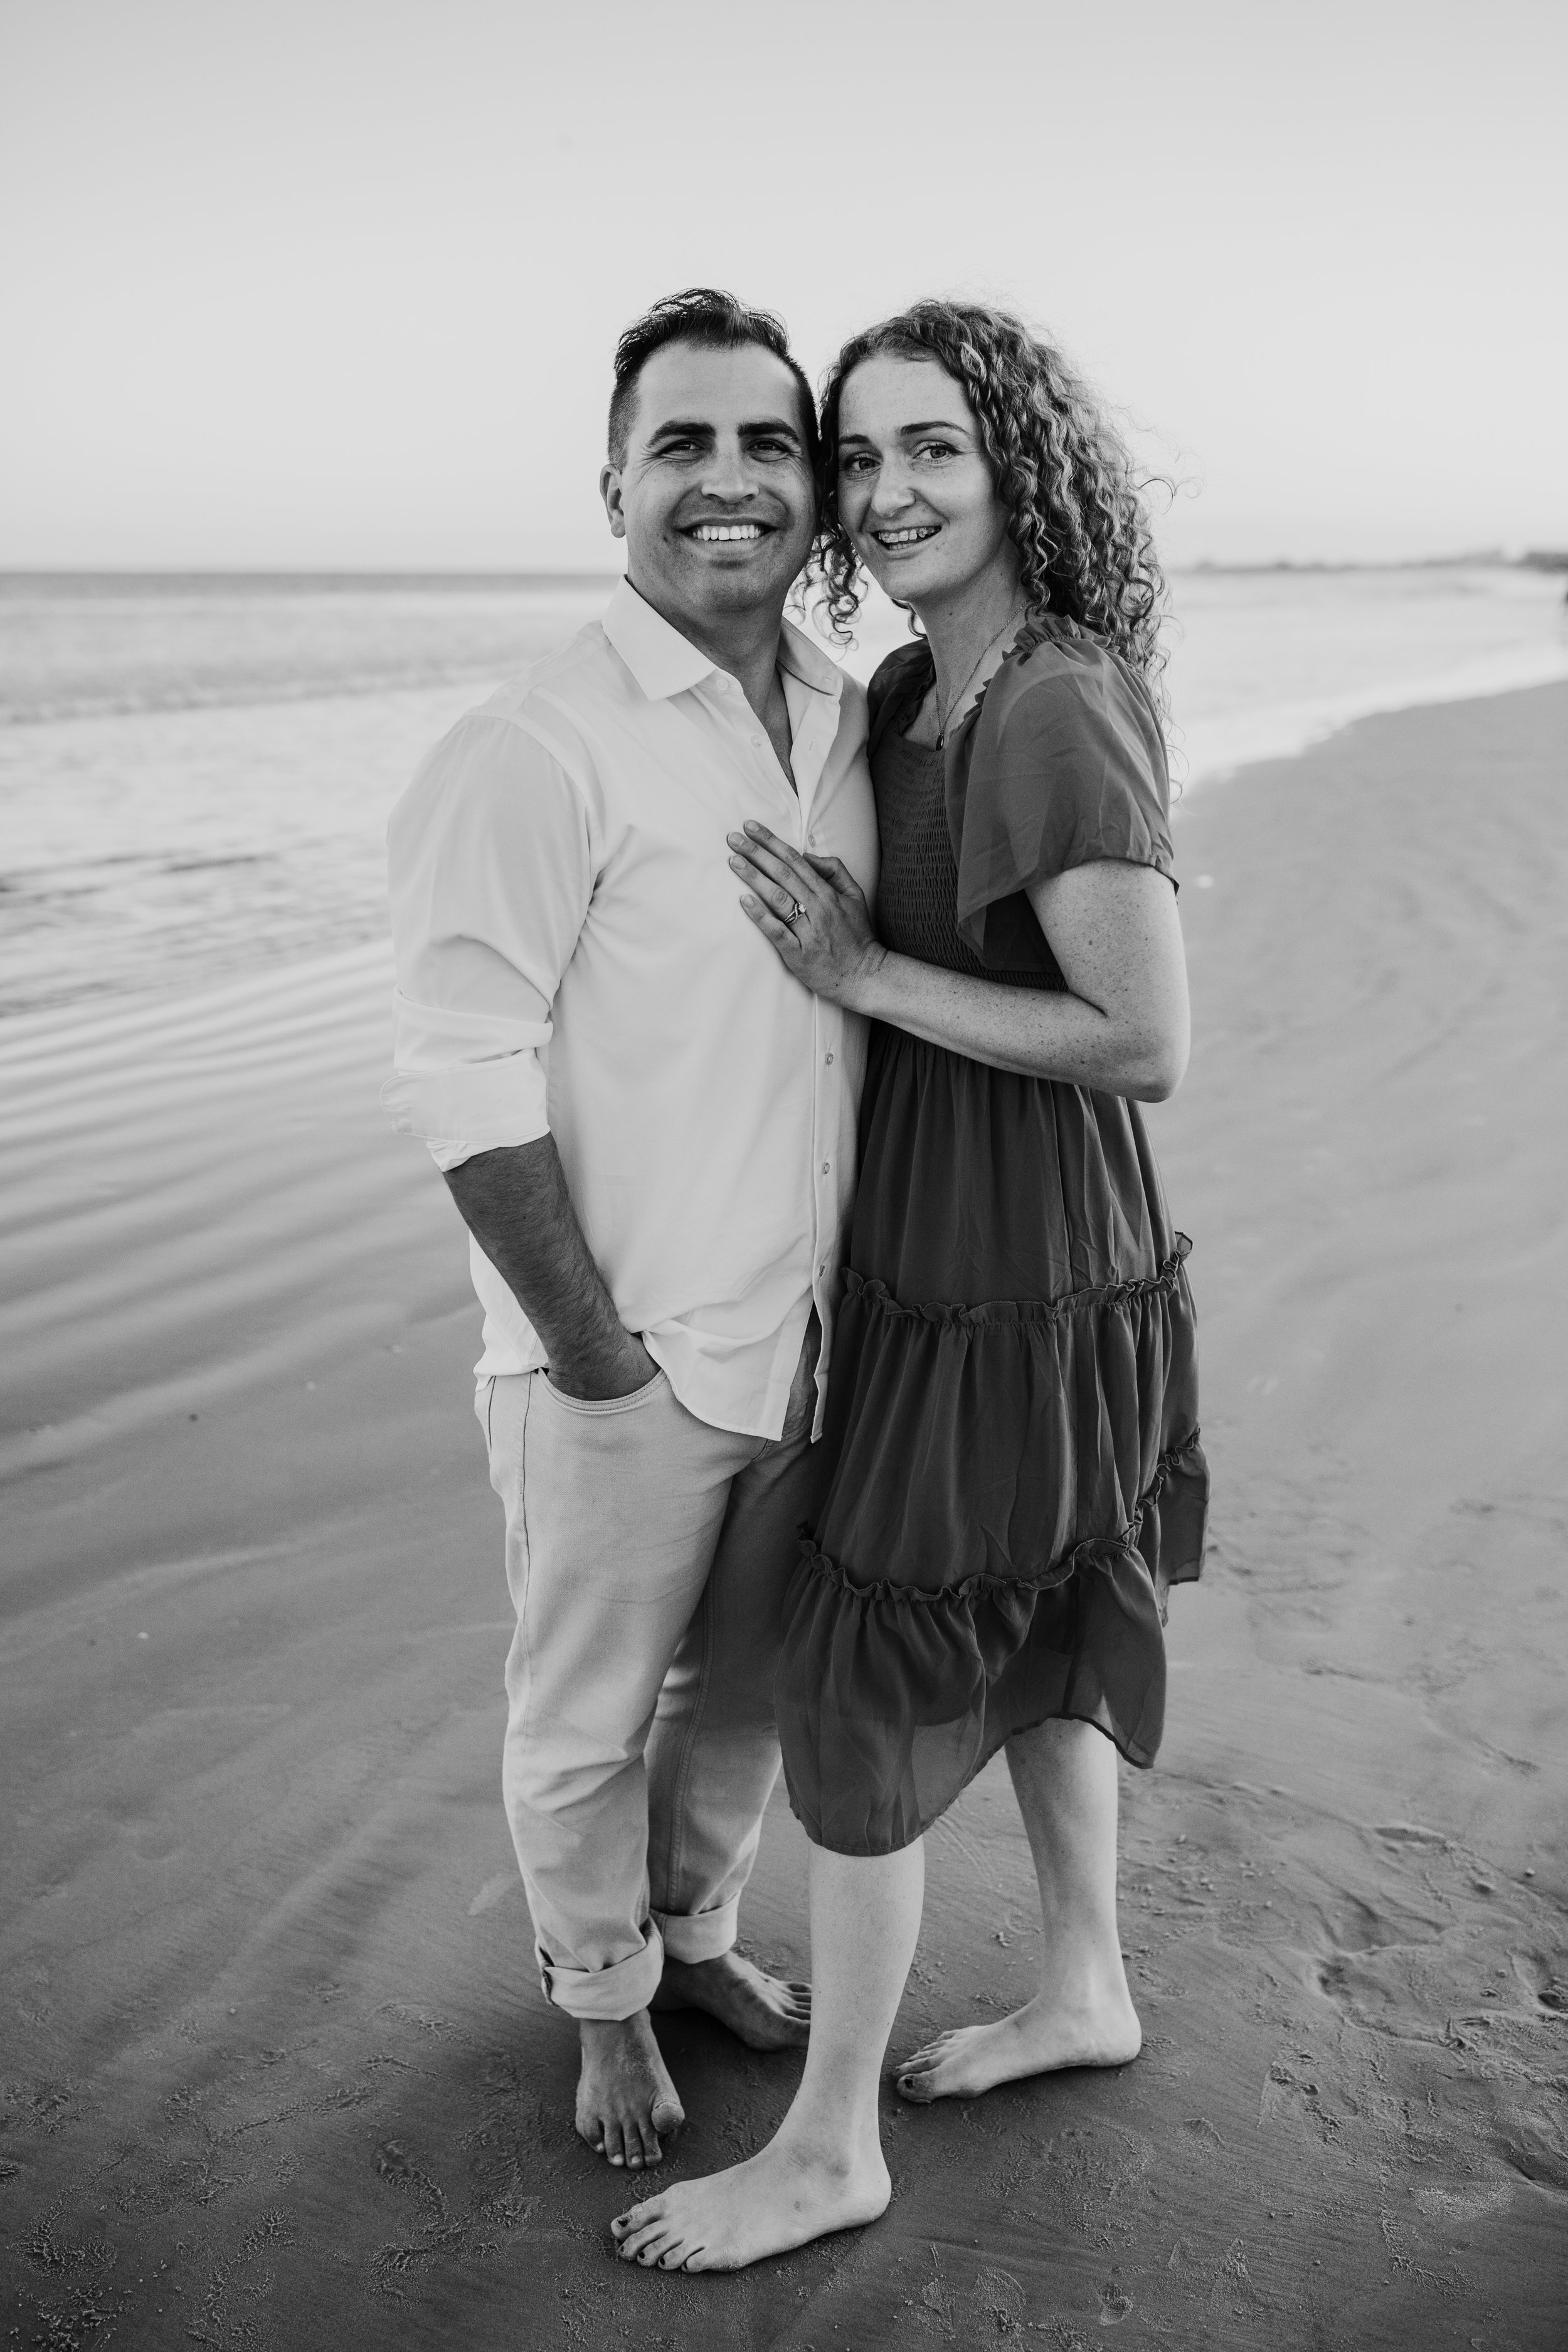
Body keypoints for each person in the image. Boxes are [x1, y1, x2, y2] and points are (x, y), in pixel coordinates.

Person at [612, 300, 1207, 2271]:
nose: (879, 494)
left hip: (1023, 1264)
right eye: (856, 458)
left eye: (926, 448)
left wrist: (864, 976)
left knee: (862, 1673)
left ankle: (827, 2143)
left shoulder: (1047, 698)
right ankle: (1085, 1989)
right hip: (949, 1248)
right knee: (1026, 1625)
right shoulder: (898, 701)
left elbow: (1141, 1038)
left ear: (1014, 461)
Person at [383, 289, 877, 2175]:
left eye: (767, 443)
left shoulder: (846, 717)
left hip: (809, 1329)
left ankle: (693, 1946)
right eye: (683, 443)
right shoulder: (534, 744)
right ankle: (597, 2008)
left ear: (811, 492)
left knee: (742, 1698)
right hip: (618, 1349)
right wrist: (590, 1348)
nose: (729, 481)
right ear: (611, 485)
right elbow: (457, 1069)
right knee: (584, 1715)